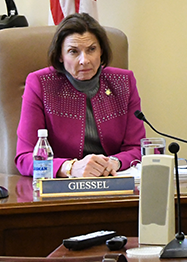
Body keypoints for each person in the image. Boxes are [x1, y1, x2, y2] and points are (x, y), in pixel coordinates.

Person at [16, 13, 145, 178]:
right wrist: (70, 167)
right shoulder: (40, 84)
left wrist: (113, 162)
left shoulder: (123, 82)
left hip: (112, 182)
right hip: (62, 189)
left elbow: (137, 148)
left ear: (101, 52)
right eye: (73, 52)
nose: (84, 60)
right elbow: (24, 157)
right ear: (60, 56)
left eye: (91, 49)